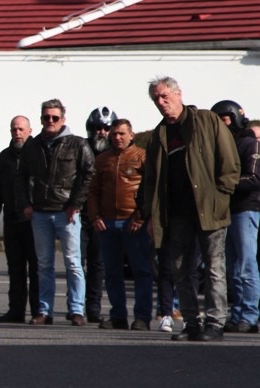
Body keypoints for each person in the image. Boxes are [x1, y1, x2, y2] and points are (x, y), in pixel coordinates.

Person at [141, 76, 240, 342]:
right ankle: (192, 323)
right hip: (176, 214)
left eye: (165, 96)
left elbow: (229, 161)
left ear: (178, 94)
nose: (161, 103)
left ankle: (216, 323)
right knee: (180, 269)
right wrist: (150, 214)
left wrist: (222, 193)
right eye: (156, 99)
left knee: (214, 267)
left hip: (209, 209)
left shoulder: (207, 121)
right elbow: (150, 179)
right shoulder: (158, 135)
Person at [16, 99, 95, 326]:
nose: (50, 121)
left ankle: (77, 310)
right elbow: (20, 177)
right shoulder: (33, 145)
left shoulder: (77, 144)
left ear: (63, 119)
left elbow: (89, 174)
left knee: (73, 263)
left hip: (67, 212)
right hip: (40, 213)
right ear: (41, 119)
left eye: (54, 117)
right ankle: (44, 311)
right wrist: (26, 204)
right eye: (46, 117)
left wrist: (76, 204)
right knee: (44, 265)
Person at [88, 118, 153, 331]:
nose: (117, 137)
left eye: (122, 134)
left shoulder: (142, 157)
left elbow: (150, 190)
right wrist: (95, 216)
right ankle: (118, 316)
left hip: (133, 223)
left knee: (141, 271)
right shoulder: (102, 159)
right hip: (107, 223)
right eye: (114, 134)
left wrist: (141, 217)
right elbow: (94, 191)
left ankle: (142, 317)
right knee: (112, 272)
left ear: (131, 135)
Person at [211, 100, 260, 334]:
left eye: (225, 119)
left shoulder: (249, 143)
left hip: (246, 209)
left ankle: (250, 314)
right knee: (231, 266)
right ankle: (238, 312)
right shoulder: (221, 145)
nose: (222, 124)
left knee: (246, 265)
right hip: (226, 210)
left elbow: (254, 178)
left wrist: (222, 184)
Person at [0, 115, 39, 323]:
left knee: (37, 268)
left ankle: (39, 312)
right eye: (14, 130)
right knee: (15, 268)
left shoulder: (39, 154)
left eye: (21, 129)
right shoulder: (3, 158)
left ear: (29, 130)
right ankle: (16, 311)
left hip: (36, 220)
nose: (17, 133)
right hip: (12, 219)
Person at [79, 107, 117, 323]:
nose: (101, 132)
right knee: (77, 262)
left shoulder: (117, 154)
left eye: (106, 127)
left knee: (98, 264)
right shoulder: (80, 149)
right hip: (81, 213)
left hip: (105, 216)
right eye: (97, 128)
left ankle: (94, 307)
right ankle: (76, 307)